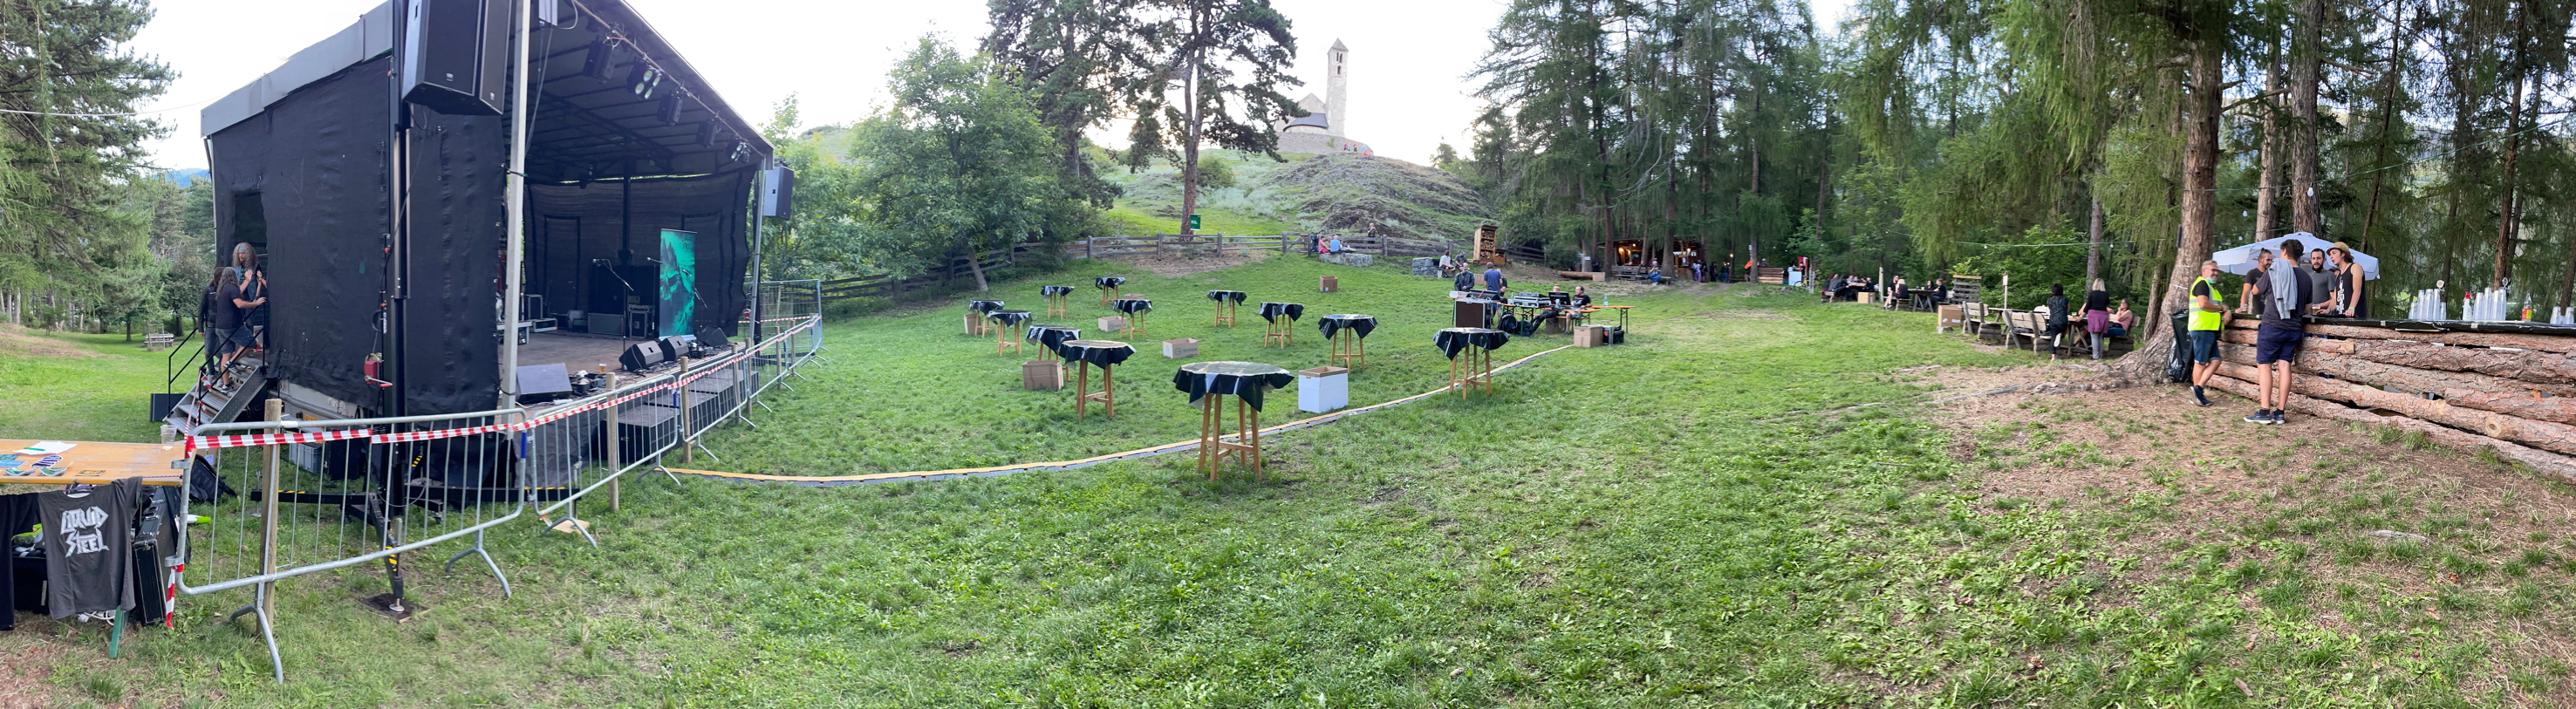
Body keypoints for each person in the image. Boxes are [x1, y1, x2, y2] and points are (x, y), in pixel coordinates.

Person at [2245, 239, 2320, 424]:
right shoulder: (2307, 277)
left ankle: (2264, 412)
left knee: (2265, 366)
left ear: (2284, 252)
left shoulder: (2275, 270)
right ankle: (2279, 413)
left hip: (2272, 325)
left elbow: (2255, 290)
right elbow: (2306, 308)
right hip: (2294, 328)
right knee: (2285, 366)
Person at [2187, 259, 2227, 406]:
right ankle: (2197, 395)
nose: (2216, 273)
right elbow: (2203, 304)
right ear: (2204, 271)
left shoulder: (2211, 287)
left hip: (2209, 329)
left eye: (2217, 271)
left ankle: (2197, 389)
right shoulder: (2202, 284)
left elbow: (2216, 305)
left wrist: (2225, 309)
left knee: (2216, 360)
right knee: (2201, 363)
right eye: (2213, 270)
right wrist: (2222, 308)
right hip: (2202, 328)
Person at [2328, 246, 2366, 317]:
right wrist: (2328, 310)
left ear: (2343, 254)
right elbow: (2335, 299)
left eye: (2334, 253)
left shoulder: (2355, 267)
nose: (2331, 256)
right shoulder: (2338, 274)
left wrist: (2351, 308)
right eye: (2330, 254)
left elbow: (2357, 289)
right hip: (2341, 317)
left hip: (2355, 317)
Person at [2082, 278, 2113, 359]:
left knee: (2094, 335)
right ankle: (2100, 355)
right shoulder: (2106, 294)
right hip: (2103, 315)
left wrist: (2082, 315)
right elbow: (2107, 303)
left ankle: (2095, 356)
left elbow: (2088, 305)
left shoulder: (2092, 293)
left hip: (2093, 315)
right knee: (2100, 336)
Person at [2042, 284, 2071, 353]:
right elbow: (2068, 309)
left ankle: (2053, 356)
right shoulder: (2065, 300)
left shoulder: (2049, 300)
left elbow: (2049, 309)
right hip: (2063, 320)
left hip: (2053, 320)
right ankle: (2061, 334)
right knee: (2065, 329)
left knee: (2053, 338)